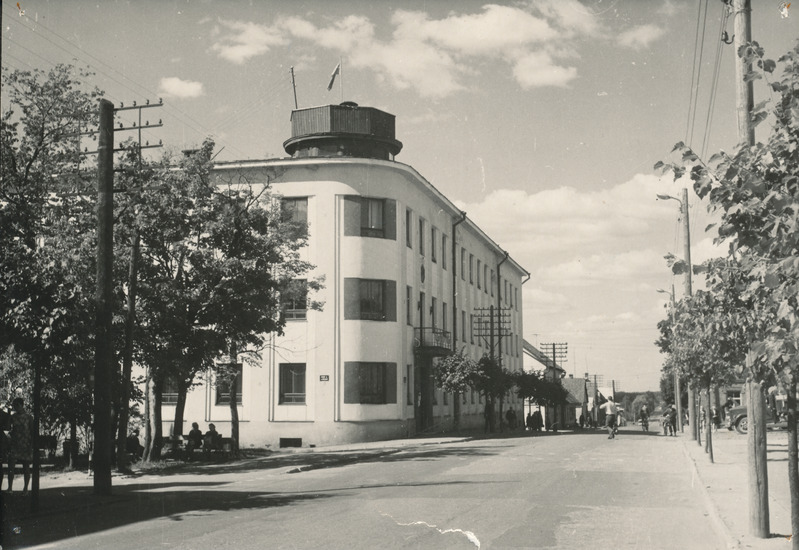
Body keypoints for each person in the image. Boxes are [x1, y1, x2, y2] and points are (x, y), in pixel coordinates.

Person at [6, 397, 33, 495]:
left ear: (21, 405)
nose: (15, 407)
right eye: (14, 405)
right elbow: (8, 427)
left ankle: (25, 488)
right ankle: (10, 487)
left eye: (17, 405)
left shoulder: (29, 417)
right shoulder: (13, 417)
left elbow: (32, 431)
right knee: (11, 466)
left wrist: (31, 445)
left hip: (26, 445)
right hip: (15, 444)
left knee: (26, 468)